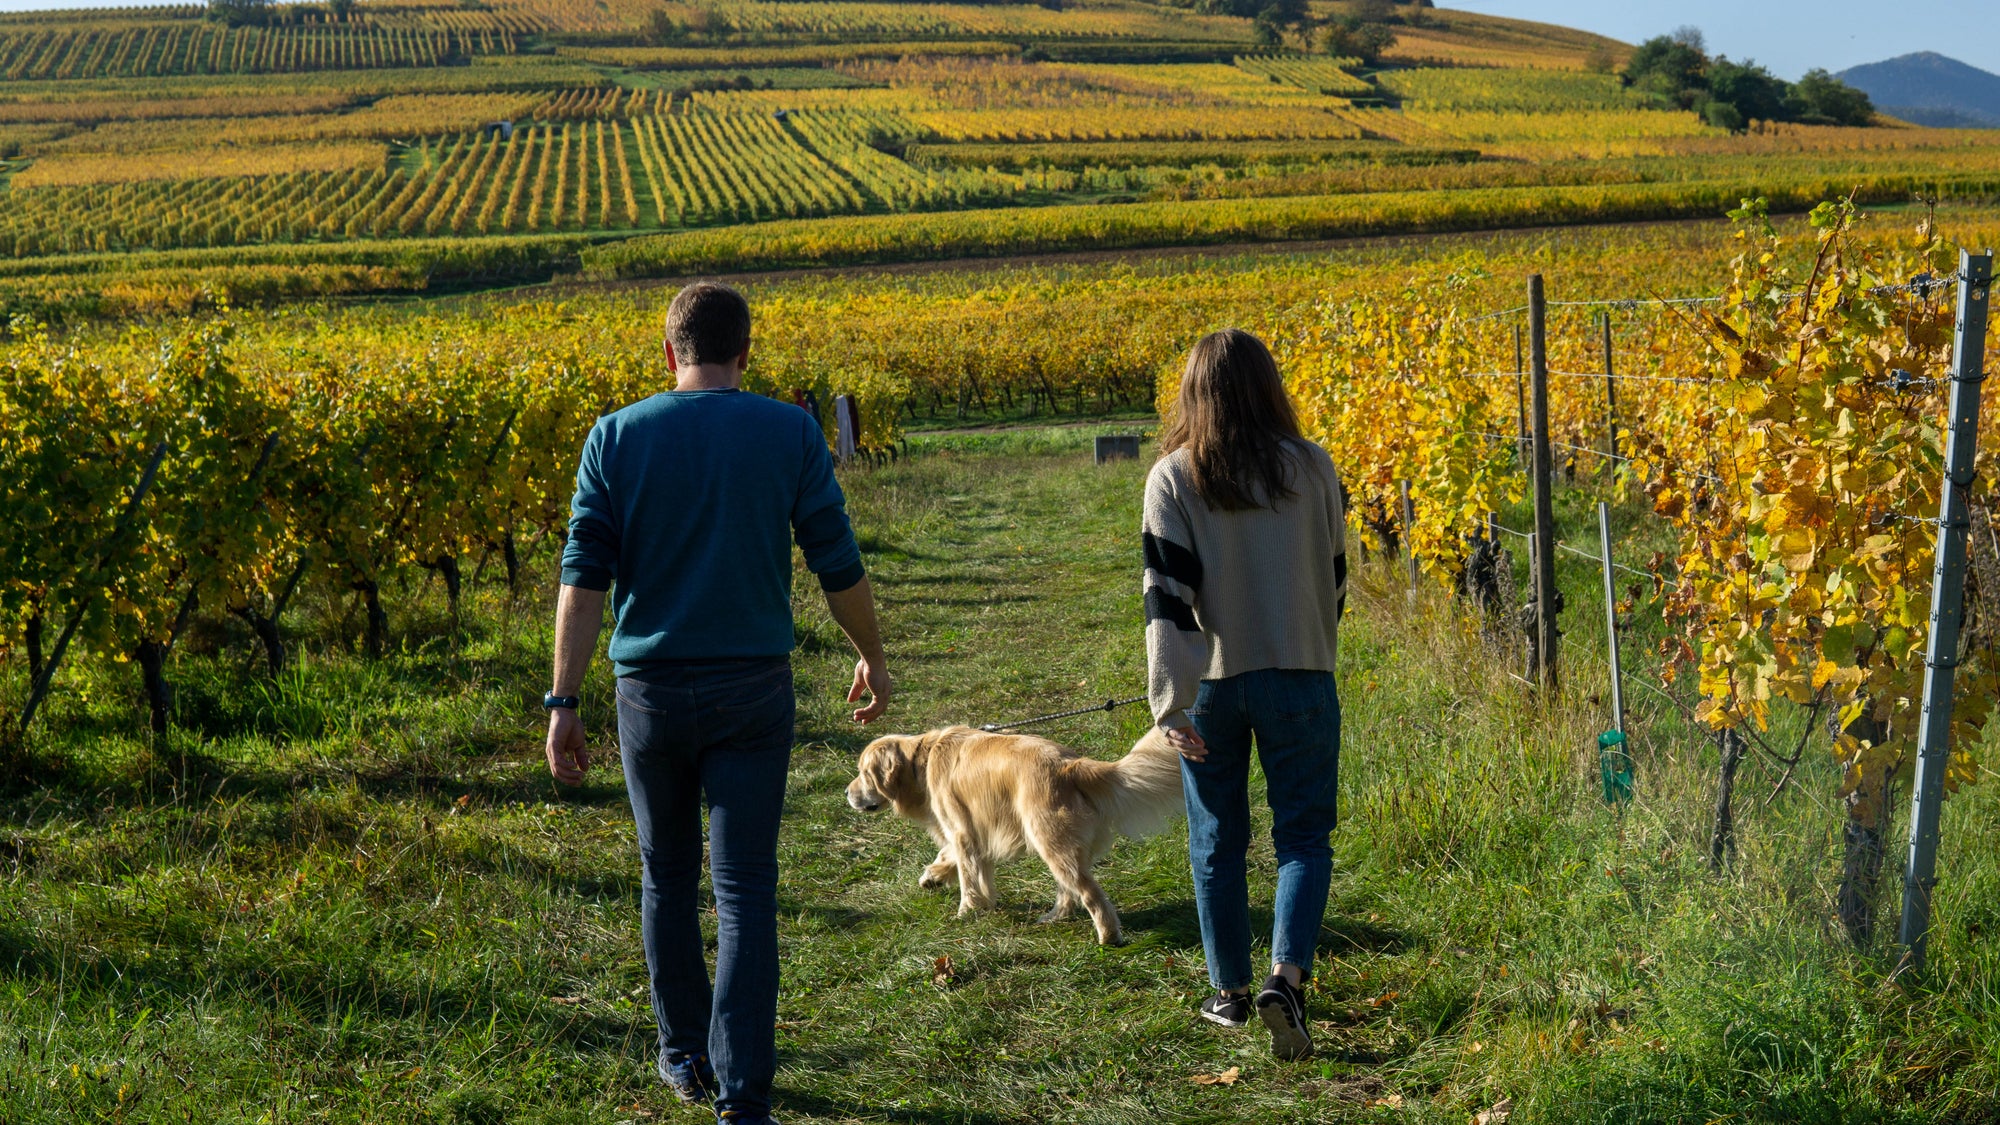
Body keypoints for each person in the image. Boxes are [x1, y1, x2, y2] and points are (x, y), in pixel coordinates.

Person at [545, 281, 892, 1124]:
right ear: (747, 352)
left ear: (669, 353)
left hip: (649, 697)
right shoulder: (789, 430)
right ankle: (744, 1098)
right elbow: (834, 561)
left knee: (666, 877)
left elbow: (583, 580)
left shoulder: (614, 437)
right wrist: (869, 655)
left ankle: (684, 1055)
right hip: (752, 688)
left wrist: (562, 699)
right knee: (743, 890)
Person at [1142, 328, 1347, 1062]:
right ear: (1270, 386)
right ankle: (1285, 979)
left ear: (1192, 393)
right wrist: (1310, 645)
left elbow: (1167, 597)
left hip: (1212, 689)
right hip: (1301, 672)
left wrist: (1169, 701)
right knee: (1302, 836)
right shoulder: (1315, 467)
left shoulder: (1172, 477)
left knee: (1216, 838)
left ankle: (1228, 991)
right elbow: (1335, 578)